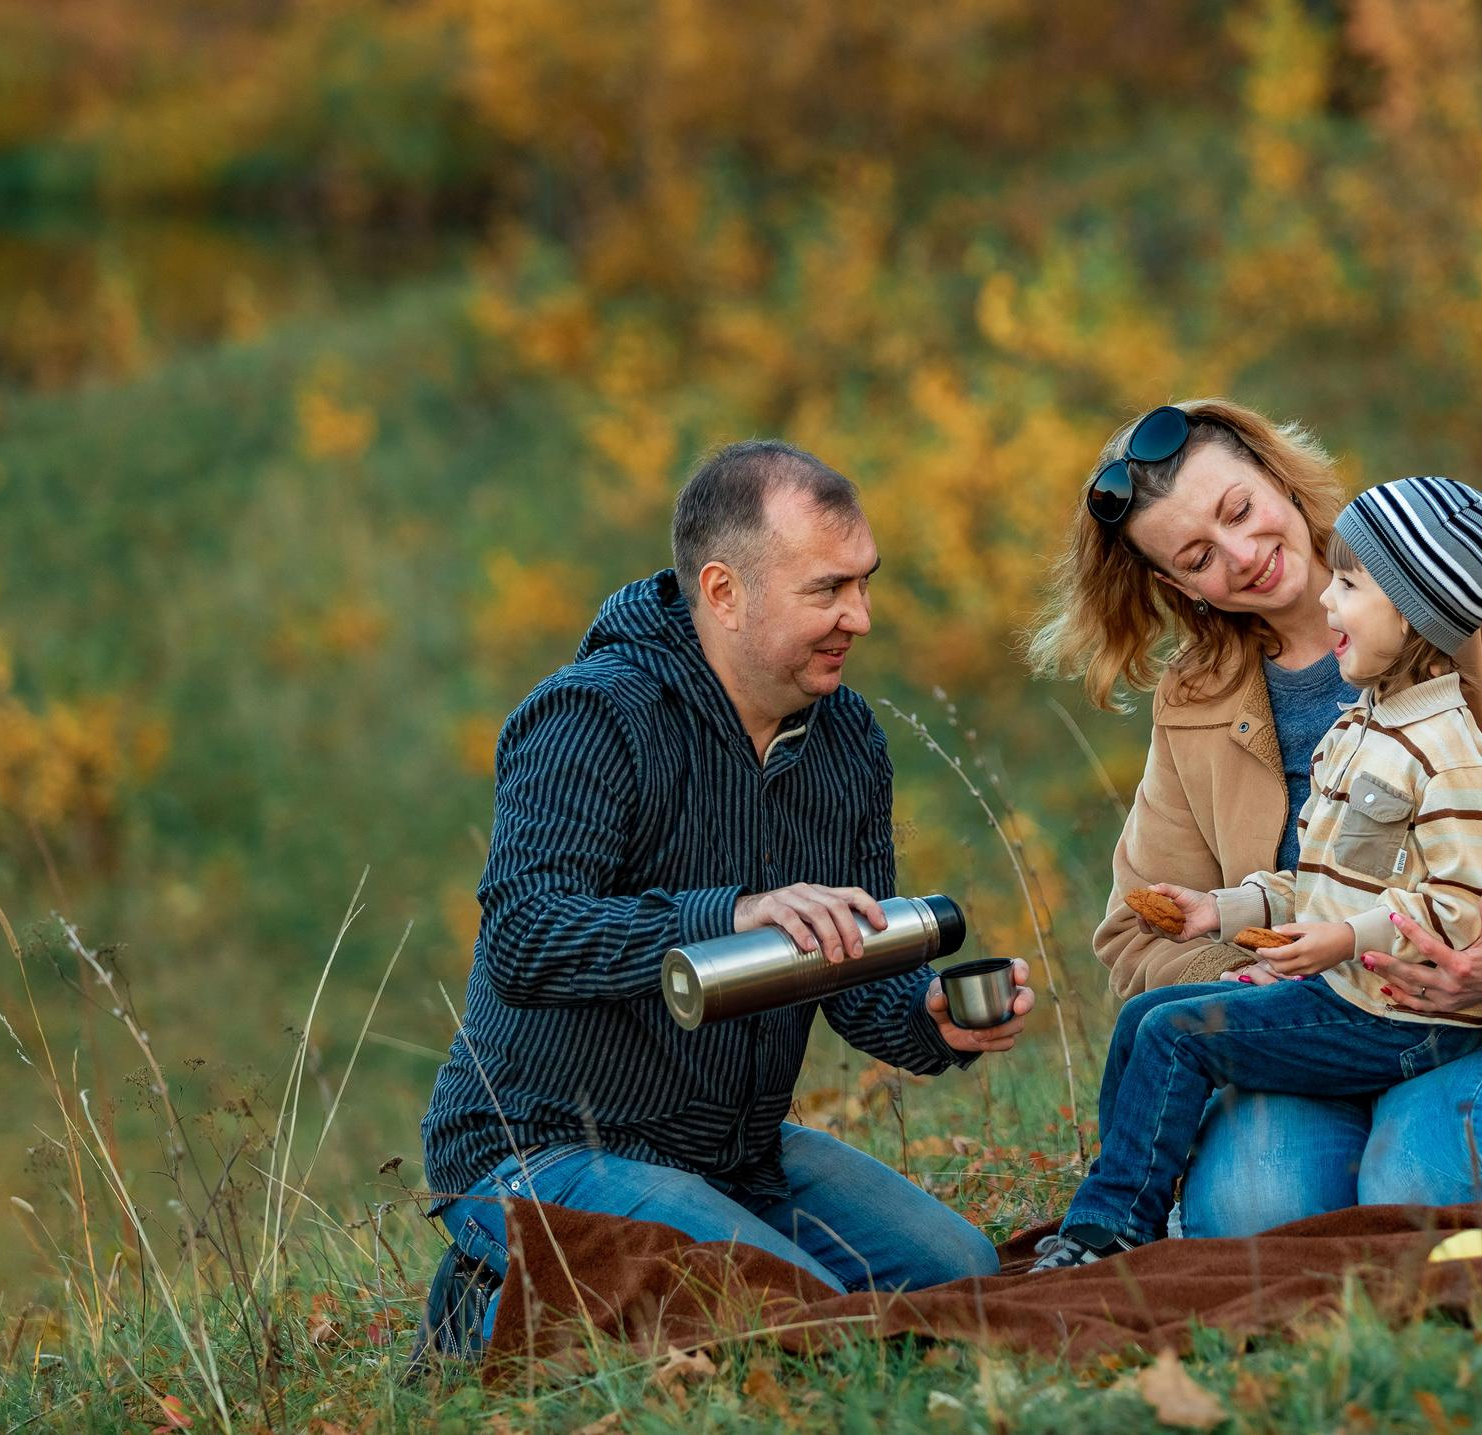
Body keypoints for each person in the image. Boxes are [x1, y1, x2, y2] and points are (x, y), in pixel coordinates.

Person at [417, 441, 1033, 1357]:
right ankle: (486, 1293)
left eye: (865, 582)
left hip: (735, 1155)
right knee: (796, 1318)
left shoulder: (848, 738)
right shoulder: (592, 716)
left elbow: (848, 965)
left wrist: (929, 1018)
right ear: (723, 590)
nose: (859, 617)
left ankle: (632, 1271)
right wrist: (728, 913)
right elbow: (526, 935)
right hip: (539, 1148)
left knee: (964, 1276)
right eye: (827, 590)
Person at [1031, 401, 1482, 1234]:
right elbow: (1137, 927)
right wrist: (1245, 976)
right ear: (1175, 585)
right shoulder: (1192, 702)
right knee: (1252, 1214)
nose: (1243, 555)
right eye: (1199, 555)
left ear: (1278, 477)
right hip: (1313, 1030)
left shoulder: (1449, 589)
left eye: (1240, 510)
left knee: (1420, 1186)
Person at [1034, 478, 1482, 1269]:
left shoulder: (1444, 746)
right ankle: (1112, 1203)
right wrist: (1219, 913)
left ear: (1414, 613)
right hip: (1345, 989)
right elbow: (1332, 878)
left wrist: (1341, 940)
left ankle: (1111, 1229)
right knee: (1144, 1020)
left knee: (1178, 1035)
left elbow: (1461, 906)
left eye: (1352, 587)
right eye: (1197, 555)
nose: (1331, 600)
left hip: (1405, 1014)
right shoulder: (1365, 726)